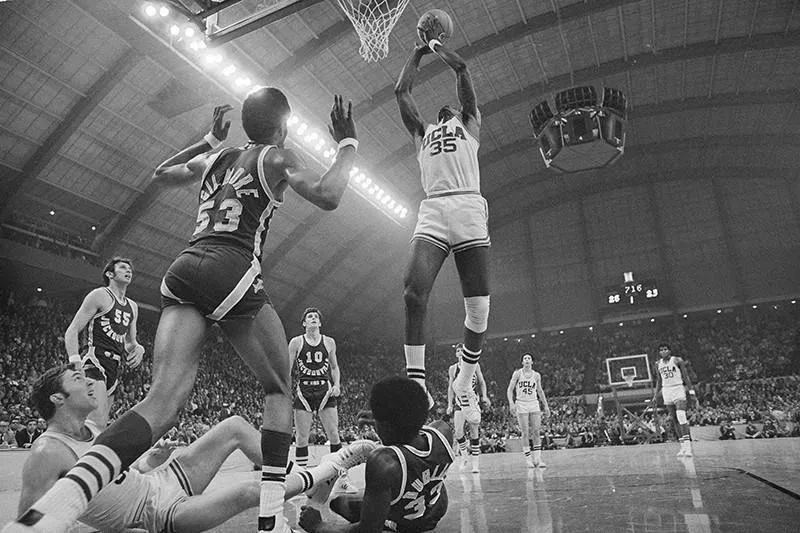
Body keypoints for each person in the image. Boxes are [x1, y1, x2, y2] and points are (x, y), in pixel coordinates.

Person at [4, 91, 358, 533]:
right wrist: (347, 146)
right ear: (283, 125)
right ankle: (271, 521)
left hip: (183, 267)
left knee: (163, 402)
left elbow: (159, 175)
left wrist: (209, 138)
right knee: (278, 390)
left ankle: (58, 504)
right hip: (231, 265)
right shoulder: (277, 157)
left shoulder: (215, 159)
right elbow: (328, 194)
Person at [14, 363, 377, 532]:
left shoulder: (93, 429)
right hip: (156, 513)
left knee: (234, 426)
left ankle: (305, 483)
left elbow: (118, 480)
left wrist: (145, 462)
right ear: (58, 398)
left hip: (161, 480)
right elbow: (33, 520)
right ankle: (330, 467)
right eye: (79, 380)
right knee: (251, 491)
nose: (90, 384)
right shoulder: (48, 452)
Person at [394, 33, 490, 408]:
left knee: (479, 307)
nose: (445, 109)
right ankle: (417, 385)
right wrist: (416, 52)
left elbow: (462, 68)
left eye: (452, 107)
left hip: (467, 205)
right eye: (442, 109)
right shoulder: (423, 134)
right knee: (412, 294)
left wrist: (436, 47)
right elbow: (402, 92)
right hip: (434, 209)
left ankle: (464, 379)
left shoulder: (469, 124)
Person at [298, 376, 455, 533]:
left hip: (406, 525)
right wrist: (381, 418)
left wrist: (318, 526)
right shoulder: (443, 432)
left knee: (339, 503)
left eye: (378, 420)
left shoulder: (384, 463)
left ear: (386, 426)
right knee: (345, 502)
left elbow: (367, 531)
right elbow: (407, 419)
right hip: (435, 512)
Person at [63, 257, 145, 427]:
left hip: (115, 365)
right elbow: (72, 330)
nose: (128, 271)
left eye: (130, 269)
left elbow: (130, 342)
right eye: (123, 268)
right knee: (97, 422)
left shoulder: (132, 306)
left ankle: (75, 447)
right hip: (95, 360)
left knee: (99, 423)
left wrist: (139, 348)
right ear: (109, 274)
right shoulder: (99, 295)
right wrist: (75, 361)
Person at [289, 307, 355, 492]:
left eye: (315, 317)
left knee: (334, 434)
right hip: (304, 391)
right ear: (304, 323)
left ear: (320, 323)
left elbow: (334, 367)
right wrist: (286, 389)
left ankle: (342, 478)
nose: (312, 319)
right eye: (309, 317)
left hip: (325, 391)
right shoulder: (296, 342)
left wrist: (337, 384)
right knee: (302, 438)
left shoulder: (329, 342)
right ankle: (302, 481)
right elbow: (287, 368)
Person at [446, 344, 490, 473]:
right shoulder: (453, 368)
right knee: (458, 431)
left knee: (473, 430)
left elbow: (482, 382)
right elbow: (450, 387)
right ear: (456, 354)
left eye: (462, 350)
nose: (460, 352)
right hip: (460, 402)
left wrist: (485, 396)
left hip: (472, 400)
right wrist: (449, 404)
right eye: (458, 351)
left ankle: (475, 463)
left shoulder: (475, 365)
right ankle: (464, 456)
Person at [651, 343, 697, 457]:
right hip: (666, 390)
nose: (663, 352)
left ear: (670, 351)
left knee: (681, 415)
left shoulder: (677, 360)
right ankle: (682, 447)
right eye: (661, 350)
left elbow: (685, 376)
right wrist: (655, 396)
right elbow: (659, 381)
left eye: (665, 349)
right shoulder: (658, 364)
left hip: (678, 388)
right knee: (674, 419)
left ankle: (688, 446)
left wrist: (691, 391)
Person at [507, 353, 550, 468]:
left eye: (529, 358)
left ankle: (538, 459)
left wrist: (546, 405)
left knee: (536, 432)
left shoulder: (536, 375)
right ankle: (528, 459)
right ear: (522, 362)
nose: (526, 360)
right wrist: (511, 403)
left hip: (534, 403)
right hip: (521, 403)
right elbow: (510, 389)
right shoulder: (517, 374)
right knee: (525, 432)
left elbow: (540, 391)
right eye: (525, 358)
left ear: (532, 362)